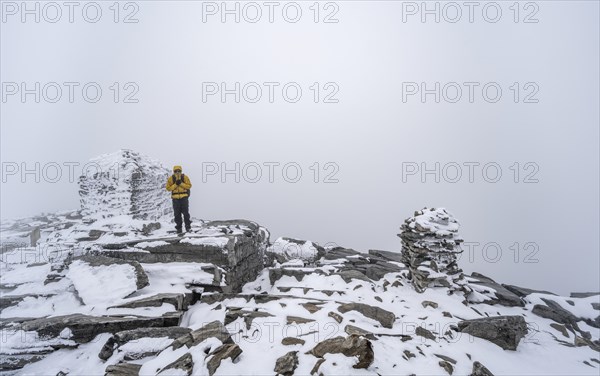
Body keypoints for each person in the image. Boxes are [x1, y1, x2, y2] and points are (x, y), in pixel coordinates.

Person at [166, 165, 192, 233]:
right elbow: (168, 188)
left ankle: (188, 227)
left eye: (179, 171)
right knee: (177, 214)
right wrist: (175, 184)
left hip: (184, 197)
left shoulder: (185, 177)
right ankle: (179, 228)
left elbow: (189, 186)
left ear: (181, 171)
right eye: (175, 171)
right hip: (175, 199)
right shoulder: (171, 179)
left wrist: (180, 183)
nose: (177, 172)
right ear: (173, 171)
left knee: (186, 213)